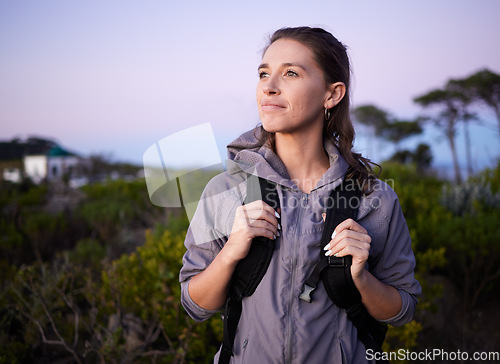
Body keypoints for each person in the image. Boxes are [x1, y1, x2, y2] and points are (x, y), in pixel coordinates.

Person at [179, 26, 421, 363]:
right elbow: (195, 305)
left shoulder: (373, 198)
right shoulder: (225, 190)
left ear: (332, 94)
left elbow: (401, 310)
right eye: (264, 73)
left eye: (290, 73)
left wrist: (361, 277)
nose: (269, 86)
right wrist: (232, 251)